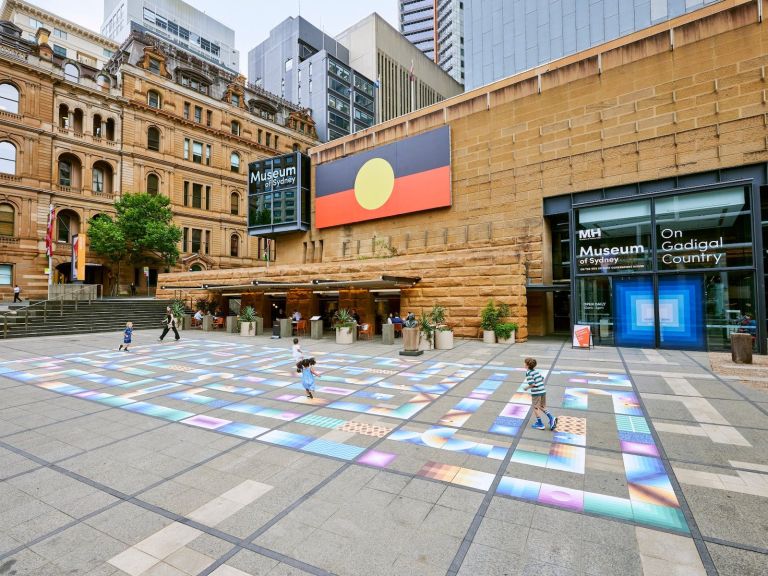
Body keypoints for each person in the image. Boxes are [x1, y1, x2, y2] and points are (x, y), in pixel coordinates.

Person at [523, 357, 557, 431]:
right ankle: (551, 418)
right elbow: (542, 378)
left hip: (536, 392)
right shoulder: (535, 371)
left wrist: (526, 388)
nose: (524, 364)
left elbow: (532, 384)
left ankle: (540, 424)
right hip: (542, 391)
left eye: (525, 363)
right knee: (541, 406)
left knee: (535, 407)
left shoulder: (528, 373)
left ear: (527, 365)